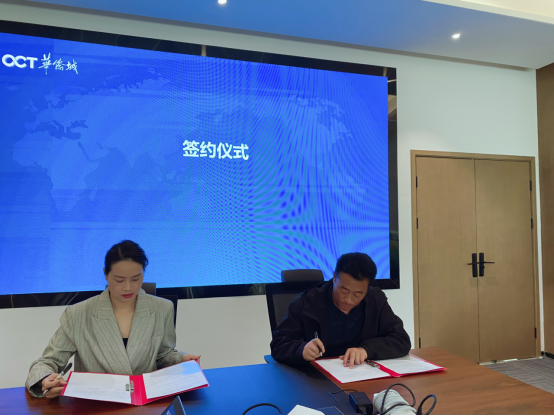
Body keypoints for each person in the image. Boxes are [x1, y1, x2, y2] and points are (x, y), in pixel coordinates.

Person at [25, 240, 200, 399]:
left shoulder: (162, 308)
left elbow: (163, 355)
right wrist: (46, 378)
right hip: (95, 405)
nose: (128, 287)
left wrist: (182, 360)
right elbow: (47, 362)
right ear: (106, 274)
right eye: (119, 280)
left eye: (136, 279)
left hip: (146, 404)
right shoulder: (77, 314)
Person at [270, 253, 411, 368]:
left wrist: (366, 350)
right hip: (317, 379)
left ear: (367, 288)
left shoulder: (375, 300)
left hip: (360, 375)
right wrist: (301, 349)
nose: (348, 300)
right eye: (343, 290)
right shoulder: (307, 303)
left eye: (358, 294)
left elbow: (401, 339)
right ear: (334, 278)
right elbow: (278, 345)